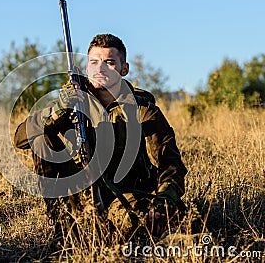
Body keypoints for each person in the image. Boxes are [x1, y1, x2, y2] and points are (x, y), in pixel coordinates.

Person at [14, 34, 188, 241]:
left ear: (124, 69)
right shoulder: (72, 102)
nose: (100, 69)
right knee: (41, 136)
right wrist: (55, 114)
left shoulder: (142, 109)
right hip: (78, 196)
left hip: (124, 196)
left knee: (143, 224)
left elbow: (171, 164)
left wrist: (164, 200)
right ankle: (62, 227)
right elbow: (20, 139)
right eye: (94, 62)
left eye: (109, 62)